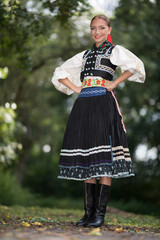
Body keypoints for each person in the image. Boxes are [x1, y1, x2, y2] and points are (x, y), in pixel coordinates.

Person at [51, 14, 145, 228]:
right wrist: (76, 88)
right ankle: (88, 213)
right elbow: (60, 72)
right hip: (83, 105)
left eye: (102, 28)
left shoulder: (114, 51)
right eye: (93, 28)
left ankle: (99, 215)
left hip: (103, 104)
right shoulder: (84, 55)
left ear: (109, 29)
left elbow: (136, 65)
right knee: (87, 157)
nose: (97, 32)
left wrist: (115, 83)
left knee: (103, 158)